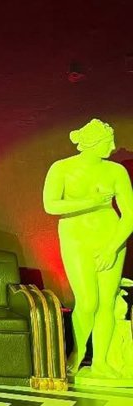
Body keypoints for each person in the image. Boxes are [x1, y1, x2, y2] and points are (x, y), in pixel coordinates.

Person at [43, 120, 133, 379]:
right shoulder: (61, 168)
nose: (113, 147)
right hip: (76, 240)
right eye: (108, 142)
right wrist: (91, 201)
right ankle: (78, 352)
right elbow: (51, 205)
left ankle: (101, 362)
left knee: (107, 302)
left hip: (110, 239)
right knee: (87, 301)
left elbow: (129, 216)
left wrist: (111, 248)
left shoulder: (116, 172)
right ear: (92, 143)